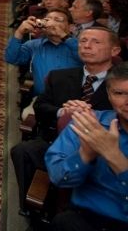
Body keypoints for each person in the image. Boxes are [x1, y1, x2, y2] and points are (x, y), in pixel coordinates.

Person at [10, 26, 118, 215]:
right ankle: (31, 212)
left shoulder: (121, 83)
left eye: (96, 42)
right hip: (57, 143)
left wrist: (89, 114)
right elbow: (40, 107)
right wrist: (63, 112)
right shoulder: (59, 76)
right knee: (23, 150)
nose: (86, 46)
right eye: (83, 41)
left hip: (105, 150)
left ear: (114, 50)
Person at [44, 61, 128, 231]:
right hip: (86, 218)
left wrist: (115, 157)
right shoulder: (88, 123)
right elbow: (58, 177)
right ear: (109, 95)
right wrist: (84, 155)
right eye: (119, 93)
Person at [4, 8, 82, 96]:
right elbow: (12, 58)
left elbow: (84, 57)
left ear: (71, 27)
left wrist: (63, 36)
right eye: (47, 20)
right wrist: (19, 33)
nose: (51, 23)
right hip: (42, 100)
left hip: (74, 101)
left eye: (58, 20)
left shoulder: (81, 45)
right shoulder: (33, 45)